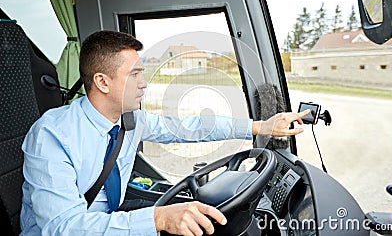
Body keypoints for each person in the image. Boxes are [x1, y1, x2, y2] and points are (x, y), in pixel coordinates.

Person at [20, 30, 309, 236]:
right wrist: (156, 219)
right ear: (102, 82)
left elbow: (189, 127)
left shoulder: (131, 120)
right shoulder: (52, 135)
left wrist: (260, 127)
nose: (143, 84)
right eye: (134, 74)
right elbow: (61, 228)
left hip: (111, 218)